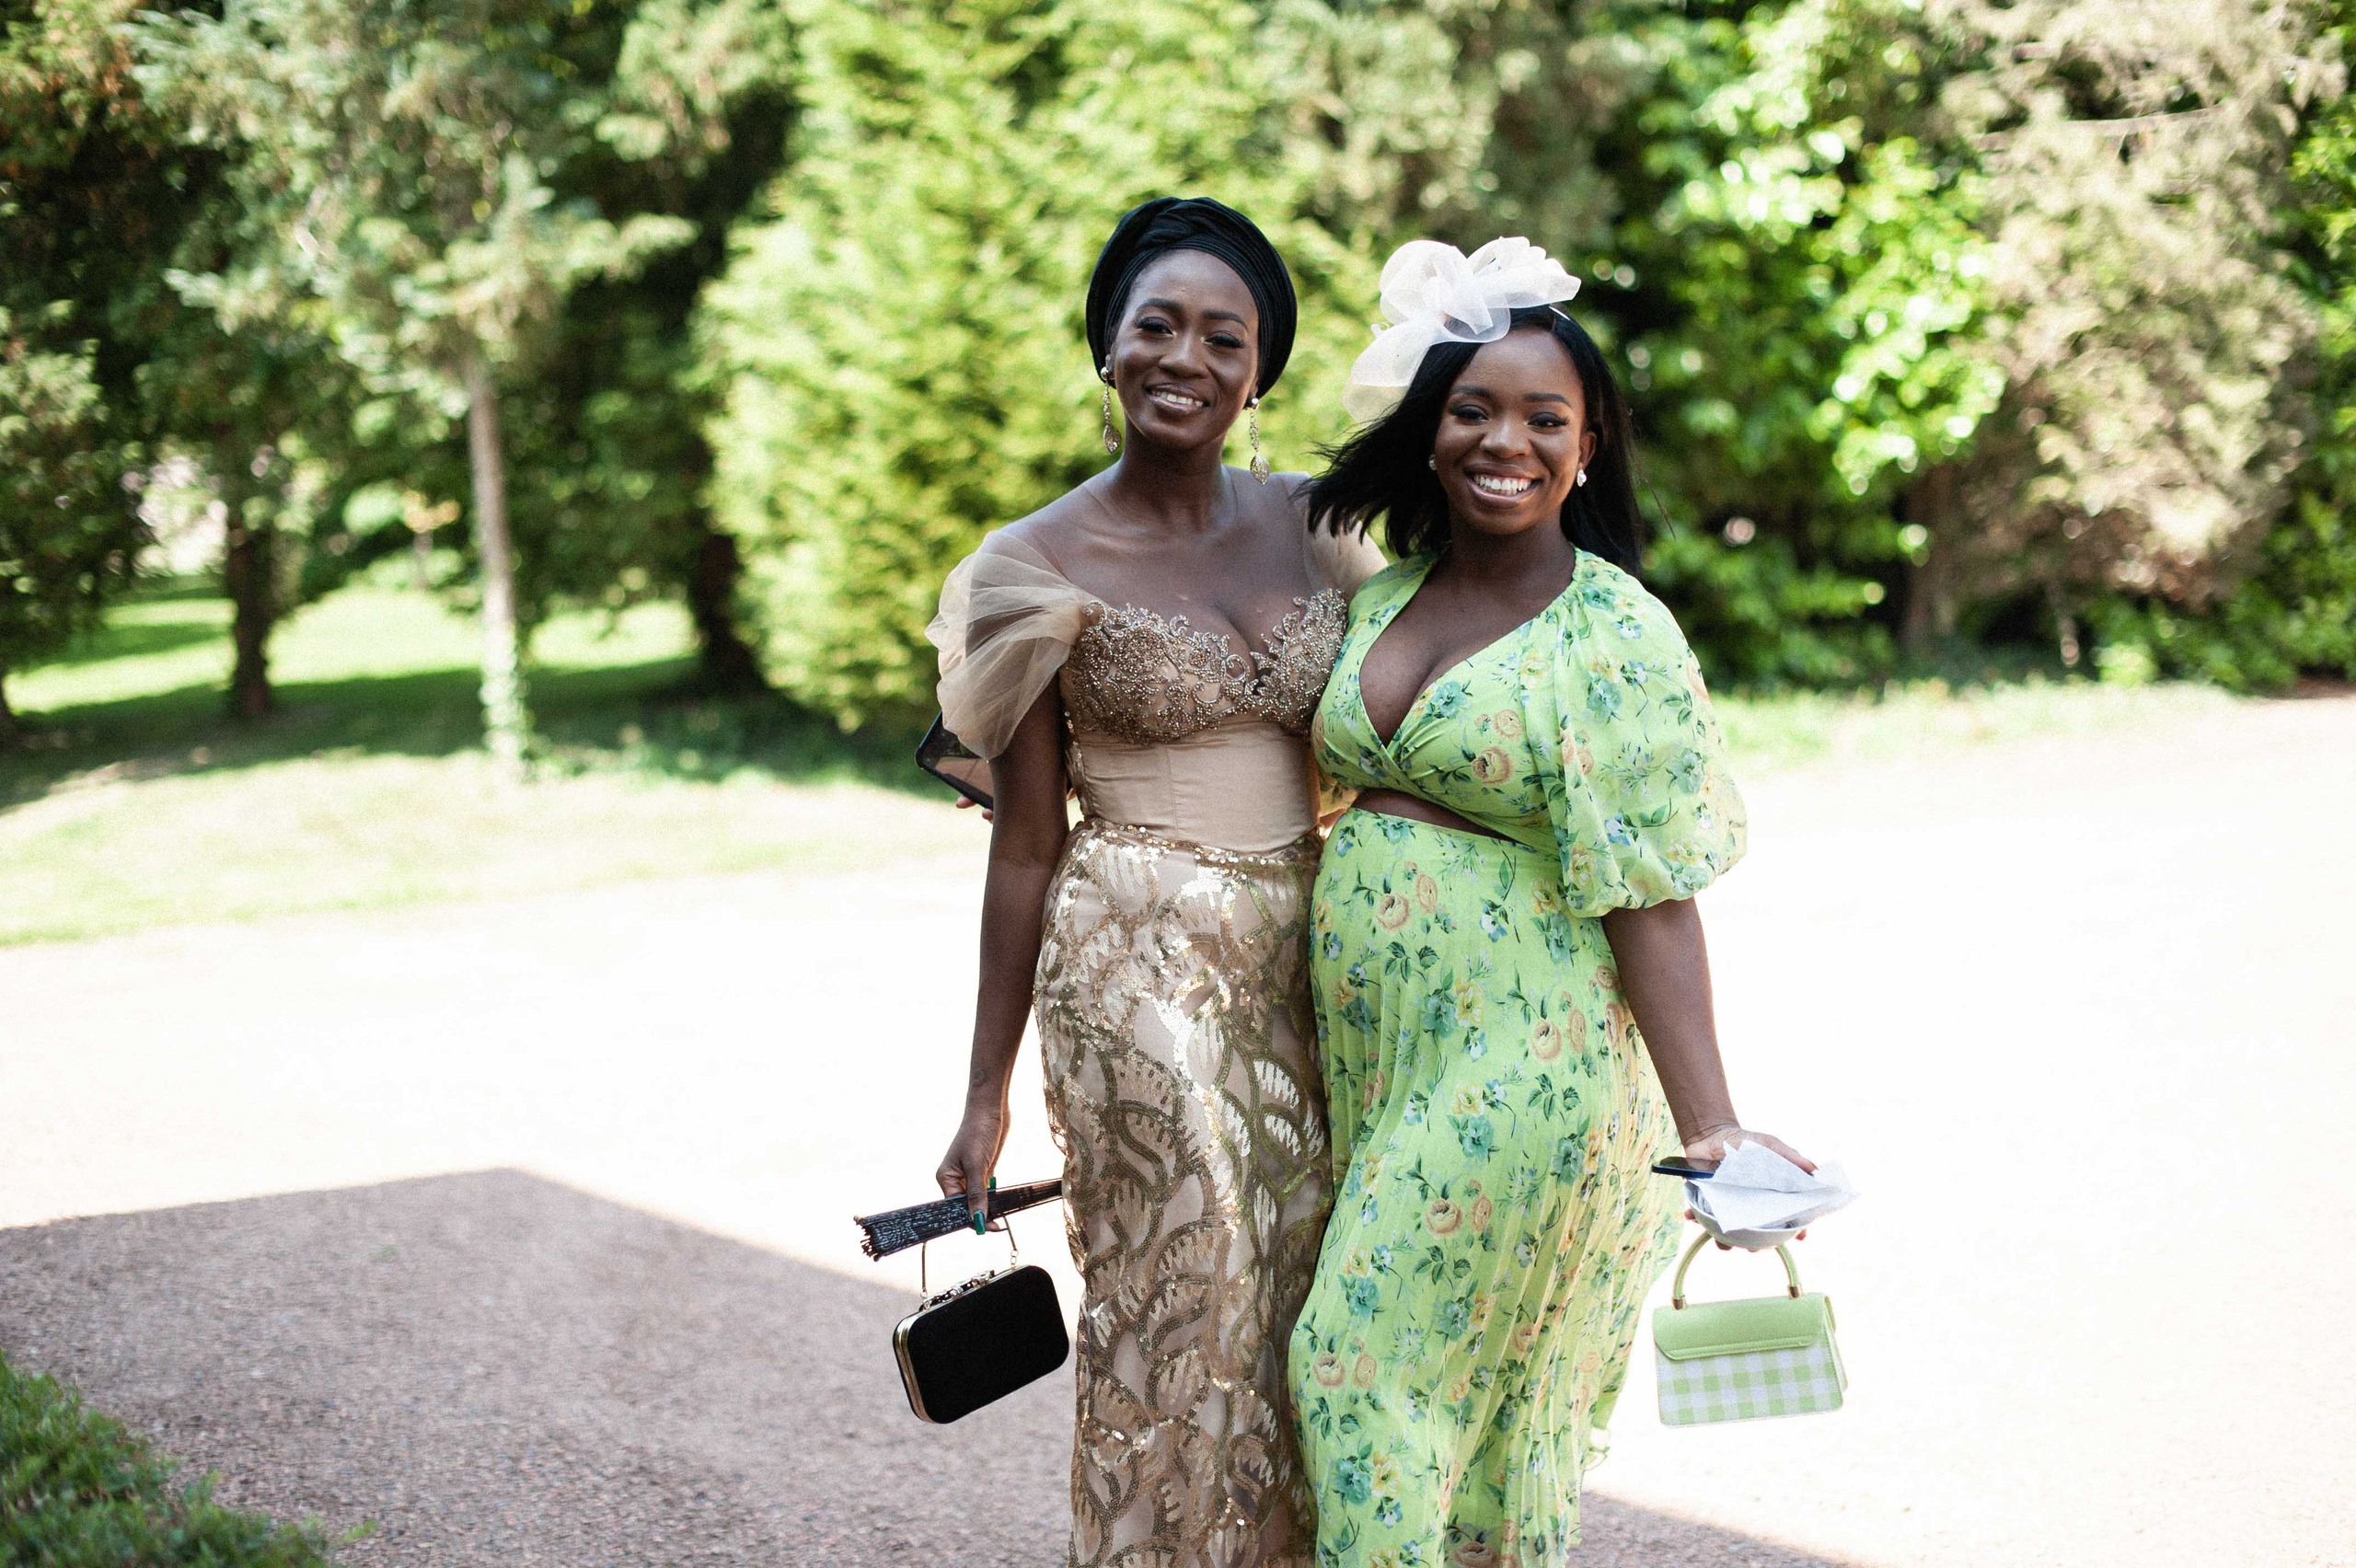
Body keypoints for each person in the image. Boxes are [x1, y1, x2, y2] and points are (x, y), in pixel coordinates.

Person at [1285, 239, 1811, 1567]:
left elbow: (1656, 899)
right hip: (1385, 1064)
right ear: (1427, 426)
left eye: (1543, 418)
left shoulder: (1614, 630)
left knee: (1353, 1364)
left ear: (1588, 451)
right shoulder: (1387, 592)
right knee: (1454, 1408)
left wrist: (1714, 1129)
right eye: (1473, 409)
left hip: (1533, 1072)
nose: (1502, 441)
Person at [928, 197, 1384, 1568]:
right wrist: (985, 1091)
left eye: (1222, 336)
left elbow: (1394, 746)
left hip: (1308, 951)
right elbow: (1021, 845)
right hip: (1132, 956)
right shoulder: (1031, 568)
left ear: (1262, 373)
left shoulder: (1323, 531)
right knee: (1195, 1286)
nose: (1186, 355)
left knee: (1307, 1289)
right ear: (1108, 354)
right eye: (1157, 327)